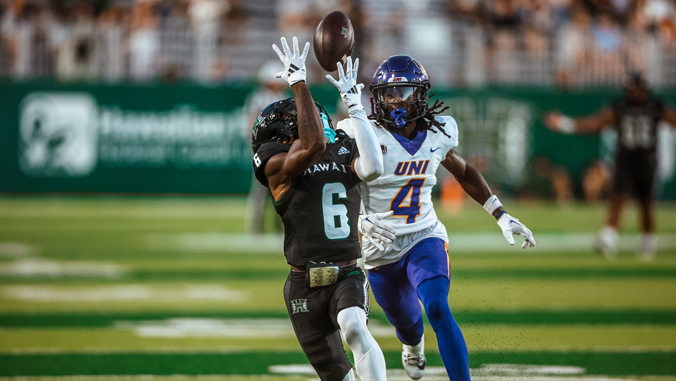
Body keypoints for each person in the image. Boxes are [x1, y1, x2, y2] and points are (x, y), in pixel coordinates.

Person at [338, 55, 536, 381]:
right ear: (377, 97)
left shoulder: (438, 132)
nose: (397, 100)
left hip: (424, 235)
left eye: (405, 91)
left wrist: (499, 213)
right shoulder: (362, 132)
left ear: (421, 94)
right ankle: (413, 345)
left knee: (438, 308)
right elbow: (336, 181)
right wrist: (357, 220)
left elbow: (463, 170)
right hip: (379, 248)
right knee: (408, 323)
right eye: (390, 92)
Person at [252, 36, 388, 381]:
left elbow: (372, 167)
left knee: (354, 327)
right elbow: (312, 146)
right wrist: (299, 83)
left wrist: (354, 107)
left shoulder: (341, 146)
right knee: (338, 376)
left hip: (347, 272)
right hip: (303, 282)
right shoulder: (277, 166)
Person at [544, 72, 676, 261]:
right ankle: (608, 238)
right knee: (618, 199)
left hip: (646, 161)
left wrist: (564, 124)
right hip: (626, 160)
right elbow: (594, 124)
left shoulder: (656, 107)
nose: (633, 93)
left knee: (646, 203)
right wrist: (565, 124)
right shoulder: (620, 107)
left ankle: (647, 241)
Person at [244, 60, 288, 234]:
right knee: (260, 191)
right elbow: (251, 124)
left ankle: (280, 227)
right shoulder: (259, 97)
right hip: (265, 149)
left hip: (282, 148)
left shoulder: (283, 96)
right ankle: (256, 228)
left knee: (283, 190)